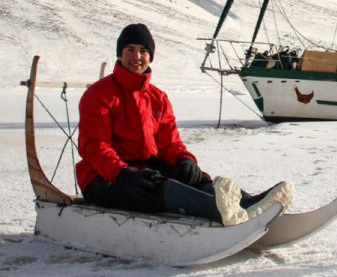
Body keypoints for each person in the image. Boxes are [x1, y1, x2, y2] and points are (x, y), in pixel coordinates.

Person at [76, 23, 294, 225]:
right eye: (130, 50)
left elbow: (170, 143)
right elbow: (95, 146)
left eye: (143, 51)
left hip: (144, 171)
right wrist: (122, 174)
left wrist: (184, 160)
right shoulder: (100, 95)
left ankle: (248, 203)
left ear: (150, 56)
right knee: (158, 187)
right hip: (105, 179)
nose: (137, 56)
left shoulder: (157, 98)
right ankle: (223, 212)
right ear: (120, 54)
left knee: (191, 176)